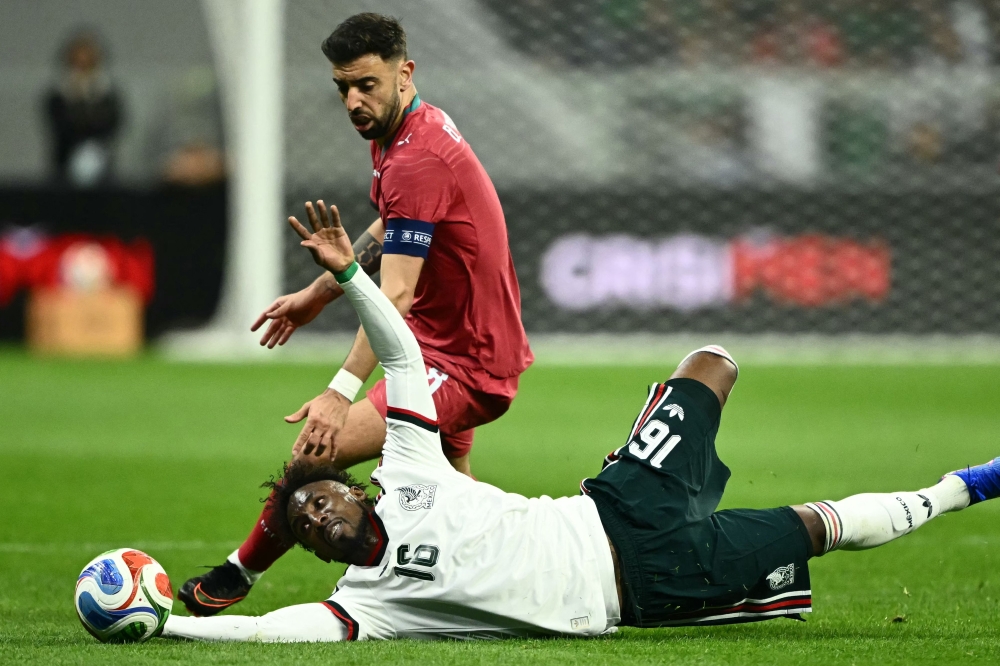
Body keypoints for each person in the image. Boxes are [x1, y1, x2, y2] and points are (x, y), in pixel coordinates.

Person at [163, 203, 999, 642]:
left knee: (711, 361)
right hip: (648, 584)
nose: (320, 521)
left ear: (353, 488)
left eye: (319, 503)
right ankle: (968, 486)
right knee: (819, 529)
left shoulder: (411, 471)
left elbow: (407, 360)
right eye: (307, 530)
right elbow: (271, 633)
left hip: (616, 503)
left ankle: (668, 458)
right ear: (317, 553)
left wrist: (350, 275)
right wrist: (162, 627)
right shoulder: (368, 606)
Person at [178, 13, 532, 615]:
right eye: (343, 86)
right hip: (447, 345)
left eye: (366, 84)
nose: (353, 100)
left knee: (314, 454)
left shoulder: (416, 159)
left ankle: (239, 572)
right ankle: (526, 583)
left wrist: (341, 390)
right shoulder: (405, 129)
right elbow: (394, 224)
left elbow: (395, 300)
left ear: (405, 73)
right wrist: (320, 292)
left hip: (463, 361)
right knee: (460, 505)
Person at [45, 31, 122, 186]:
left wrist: (91, 96)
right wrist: (76, 98)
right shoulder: (58, 97)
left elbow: (112, 126)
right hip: (64, 169)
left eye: (88, 64)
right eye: (77, 64)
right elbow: (61, 128)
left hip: (103, 171)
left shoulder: (108, 95)